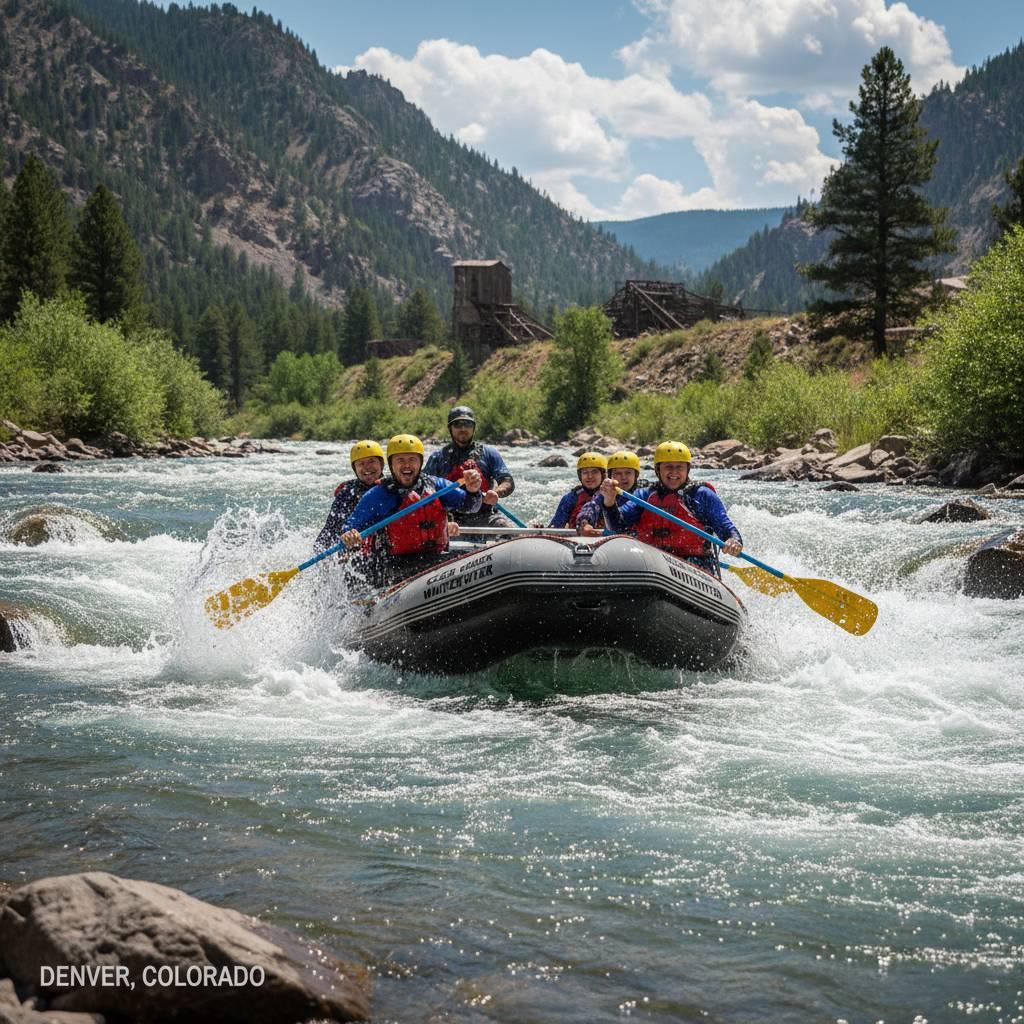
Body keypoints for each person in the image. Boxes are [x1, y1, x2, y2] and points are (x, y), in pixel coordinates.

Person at [340, 433, 483, 585]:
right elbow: (351, 527)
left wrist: (473, 490)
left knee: (473, 559)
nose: (406, 465)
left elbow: (471, 506)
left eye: (412, 459)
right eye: (400, 460)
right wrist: (349, 535)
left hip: (436, 556)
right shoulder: (378, 495)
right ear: (391, 464)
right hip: (395, 565)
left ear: (420, 463)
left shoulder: (436, 485)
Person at [597, 441, 742, 577]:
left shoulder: (702, 495)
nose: (674, 472)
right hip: (651, 564)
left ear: (687, 469)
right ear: (658, 470)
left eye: (679, 467)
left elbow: (726, 528)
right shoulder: (644, 495)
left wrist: (733, 541)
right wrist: (609, 502)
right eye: (668, 467)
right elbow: (618, 527)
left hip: (695, 566)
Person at [424, 405, 516, 529]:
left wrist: (496, 493)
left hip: (485, 515)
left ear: (473, 428)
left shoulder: (489, 453)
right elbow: (423, 488)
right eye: (457, 424)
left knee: (504, 527)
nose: (463, 428)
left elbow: (507, 480)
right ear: (450, 428)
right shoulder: (437, 457)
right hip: (449, 520)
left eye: (467, 424)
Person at [314, 440, 385, 552]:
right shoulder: (347, 492)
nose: (367, 467)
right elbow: (330, 529)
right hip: (356, 546)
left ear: (381, 464)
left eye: (372, 461)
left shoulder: (392, 487)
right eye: (361, 463)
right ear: (355, 469)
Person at [577, 450, 647, 536]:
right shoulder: (605, 494)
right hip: (615, 536)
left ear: (636, 475)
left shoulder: (644, 494)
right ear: (611, 476)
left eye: (628, 472)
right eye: (618, 473)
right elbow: (591, 506)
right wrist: (585, 522)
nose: (623, 477)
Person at [548, 452, 607, 529]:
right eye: (585, 472)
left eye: (594, 472)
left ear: (602, 475)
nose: (590, 476)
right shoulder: (570, 498)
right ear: (580, 476)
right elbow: (556, 526)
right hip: (576, 535)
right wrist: (542, 529)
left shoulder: (611, 495)